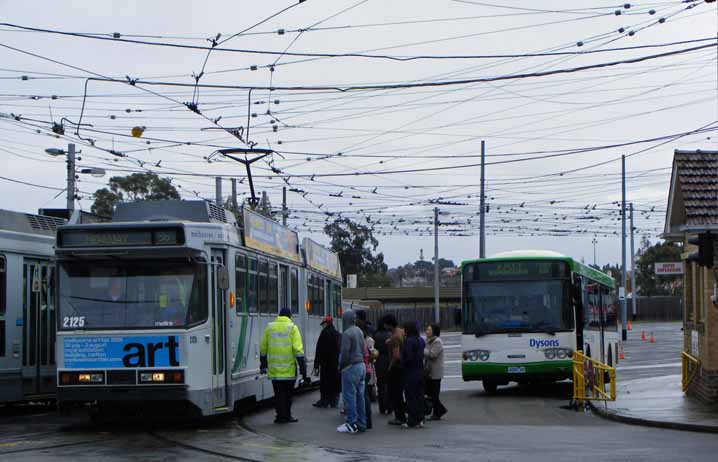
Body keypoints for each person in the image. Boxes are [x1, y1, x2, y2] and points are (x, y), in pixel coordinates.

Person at [260, 307, 307, 424]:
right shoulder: (292, 328)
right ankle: (287, 415)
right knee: (288, 395)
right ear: (289, 316)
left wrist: (263, 364)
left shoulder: (270, 327)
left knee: (278, 394)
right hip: (289, 369)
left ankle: (279, 416)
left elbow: (263, 348)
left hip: (274, 370)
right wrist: (303, 368)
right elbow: (298, 350)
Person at [337, 309, 367, 434]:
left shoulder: (347, 333)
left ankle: (351, 423)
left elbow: (344, 353)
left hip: (350, 366)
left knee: (349, 396)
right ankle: (362, 423)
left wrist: (340, 366)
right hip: (361, 366)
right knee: (360, 396)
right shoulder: (359, 331)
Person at [313, 316, 341, 408]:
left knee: (325, 383)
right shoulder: (337, 334)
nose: (323, 326)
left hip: (325, 364)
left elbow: (319, 350)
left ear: (327, 323)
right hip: (335, 363)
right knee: (335, 383)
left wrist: (316, 365)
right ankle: (334, 402)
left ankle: (324, 401)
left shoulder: (324, 333)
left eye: (323, 324)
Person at [401, 321, 425, 428]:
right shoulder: (421, 340)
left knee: (411, 396)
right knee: (419, 395)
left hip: (411, 371)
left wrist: (403, 361)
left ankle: (412, 420)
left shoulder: (409, 341)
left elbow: (409, 357)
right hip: (420, 370)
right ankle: (420, 419)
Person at [373, 314, 396, 415]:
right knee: (389, 385)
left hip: (379, 361)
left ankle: (382, 407)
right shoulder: (390, 334)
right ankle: (390, 406)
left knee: (381, 385)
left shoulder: (375, 335)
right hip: (388, 360)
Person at [424, 324, 447, 421]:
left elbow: (433, 354)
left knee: (434, 395)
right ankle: (439, 411)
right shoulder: (428, 341)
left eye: (428, 330)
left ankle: (439, 411)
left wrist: (422, 349)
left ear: (434, 331)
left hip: (436, 373)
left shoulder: (437, 342)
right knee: (431, 394)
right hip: (429, 372)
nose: (426, 331)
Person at [387, 325, 406, 426]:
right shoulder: (400, 331)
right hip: (402, 368)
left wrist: (389, 367)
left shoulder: (395, 337)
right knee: (399, 393)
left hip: (396, 368)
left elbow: (396, 355)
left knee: (395, 394)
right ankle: (401, 416)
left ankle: (399, 417)